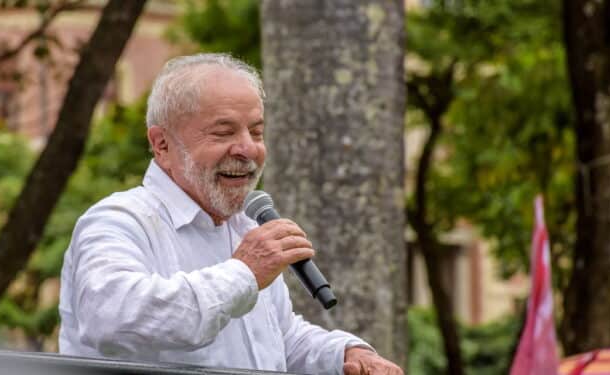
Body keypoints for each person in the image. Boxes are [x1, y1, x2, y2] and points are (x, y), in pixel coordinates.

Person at [58, 53, 403, 375]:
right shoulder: (117, 221)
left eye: (256, 131)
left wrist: (344, 354)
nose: (248, 149)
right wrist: (244, 272)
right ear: (162, 144)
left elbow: (275, 338)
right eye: (224, 132)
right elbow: (113, 320)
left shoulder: (243, 227)